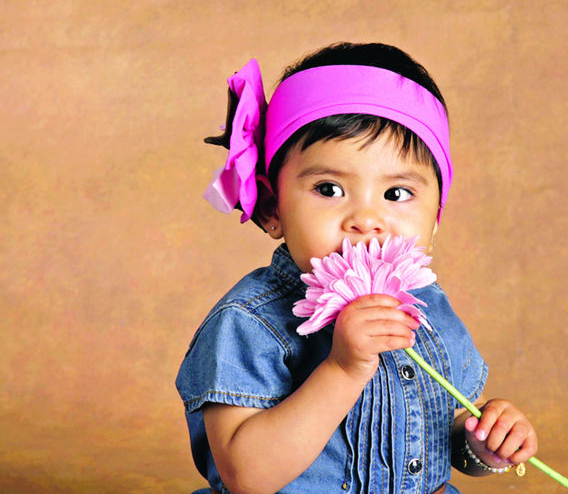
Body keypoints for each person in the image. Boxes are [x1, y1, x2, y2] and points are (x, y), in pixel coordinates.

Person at [176, 42, 538, 494]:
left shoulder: (427, 308)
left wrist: (484, 443)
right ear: (272, 207)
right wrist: (343, 370)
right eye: (329, 188)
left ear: (435, 219)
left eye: (397, 194)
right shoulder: (249, 323)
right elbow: (246, 476)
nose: (366, 219)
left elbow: (444, 433)